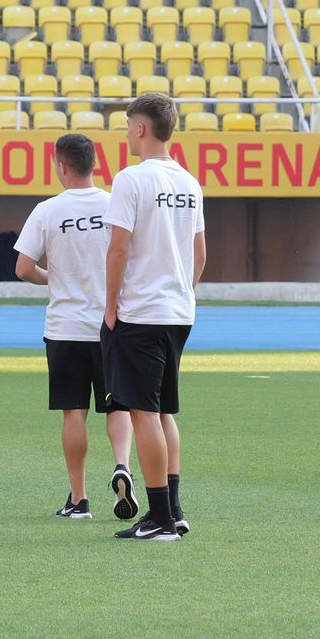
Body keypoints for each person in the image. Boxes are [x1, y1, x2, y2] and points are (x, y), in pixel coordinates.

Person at [15, 134, 138, 522]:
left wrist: (52, 278)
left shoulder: (48, 210)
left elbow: (21, 267)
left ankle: (79, 498)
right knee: (118, 406)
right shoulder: (113, 204)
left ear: (62, 166)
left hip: (65, 326)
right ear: (93, 164)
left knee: (74, 412)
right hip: (110, 323)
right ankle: (122, 465)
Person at [103, 93, 206, 542]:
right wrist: (183, 291)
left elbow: (119, 248)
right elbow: (200, 254)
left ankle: (160, 519)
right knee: (164, 412)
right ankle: (174, 511)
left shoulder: (131, 179)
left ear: (142, 128)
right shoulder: (189, 181)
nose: (126, 133)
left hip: (141, 312)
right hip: (178, 311)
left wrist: (110, 306)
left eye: (128, 126)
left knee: (144, 413)